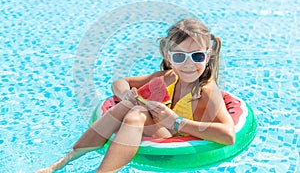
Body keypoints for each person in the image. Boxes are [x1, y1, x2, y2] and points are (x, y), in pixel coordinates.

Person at [35, 19, 235, 173]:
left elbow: (228, 135)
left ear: (208, 56)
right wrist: (126, 95)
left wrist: (176, 121)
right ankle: (62, 163)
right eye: (179, 56)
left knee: (137, 112)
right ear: (169, 57)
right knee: (129, 106)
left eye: (197, 56)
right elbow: (120, 83)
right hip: (160, 127)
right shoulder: (168, 77)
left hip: (179, 138)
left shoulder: (206, 90)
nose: (189, 64)